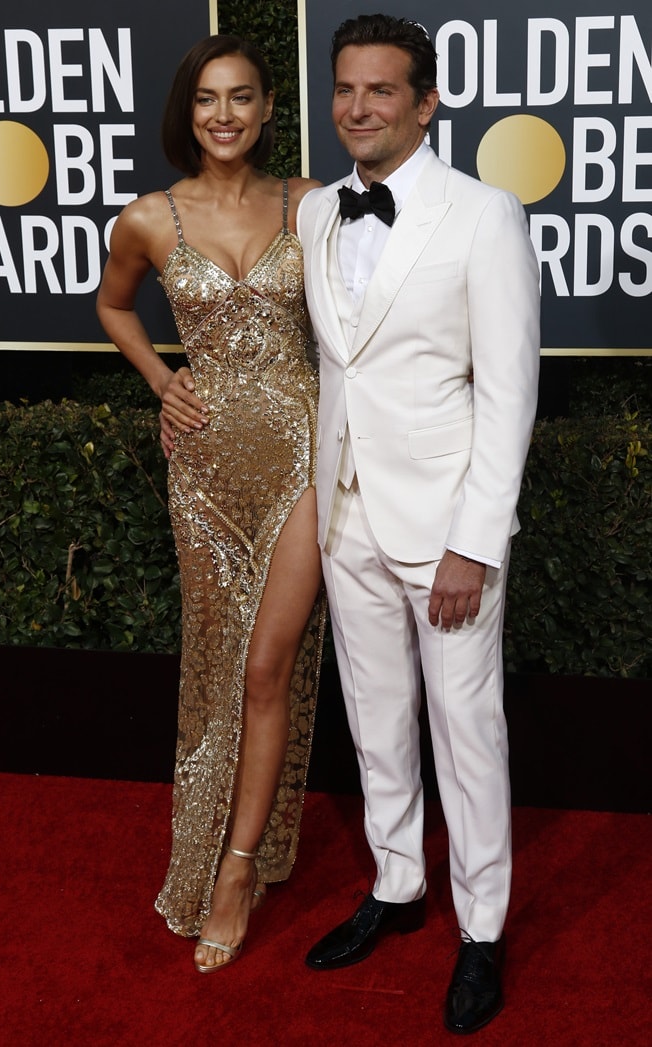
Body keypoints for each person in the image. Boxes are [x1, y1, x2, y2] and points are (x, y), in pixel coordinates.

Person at [294, 14, 541, 1034]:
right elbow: (335, 365)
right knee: (374, 713)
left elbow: (509, 393)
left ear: (425, 102)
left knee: (466, 731)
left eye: (381, 91)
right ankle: (397, 883)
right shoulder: (315, 215)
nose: (357, 108)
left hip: (444, 527)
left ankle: (481, 926)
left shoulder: (484, 215)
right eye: (345, 90)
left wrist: (473, 542)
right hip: (345, 510)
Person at [96, 34, 324, 975]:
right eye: (205, 99)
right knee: (217, 667)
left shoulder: (312, 205)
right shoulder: (148, 219)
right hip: (203, 470)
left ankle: (236, 869)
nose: (223, 114)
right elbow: (113, 307)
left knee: (268, 666)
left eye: (241, 98)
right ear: (186, 112)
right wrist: (160, 379)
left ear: (270, 109)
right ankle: (211, 847)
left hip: (308, 458)